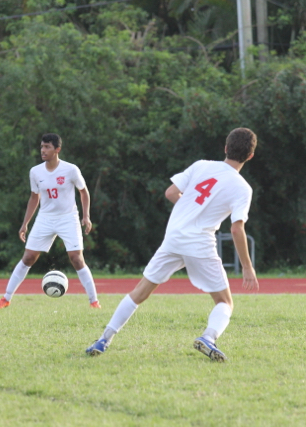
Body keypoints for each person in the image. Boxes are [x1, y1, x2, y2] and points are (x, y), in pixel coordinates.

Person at [85, 127, 259, 362]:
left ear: (226, 148)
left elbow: (170, 192)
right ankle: (208, 337)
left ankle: (104, 339)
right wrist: (247, 267)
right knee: (225, 302)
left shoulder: (201, 165)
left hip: (174, 237)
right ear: (250, 156)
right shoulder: (242, 188)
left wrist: (188, 208)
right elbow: (237, 228)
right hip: (199, 243)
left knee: (139, 292)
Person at [0, 133, 101, 309]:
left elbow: (83, 191)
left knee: (76, 258)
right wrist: (25, 223)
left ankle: (94, 301)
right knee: (28, 257)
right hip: (45, 218)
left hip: (68, 217)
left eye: (47, 147)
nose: (43, 150)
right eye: (42, 146)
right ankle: (6, 298)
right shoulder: (35, 171)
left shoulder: (70, 169)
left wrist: (86, 216)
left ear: (57, 149)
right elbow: (34, 197)